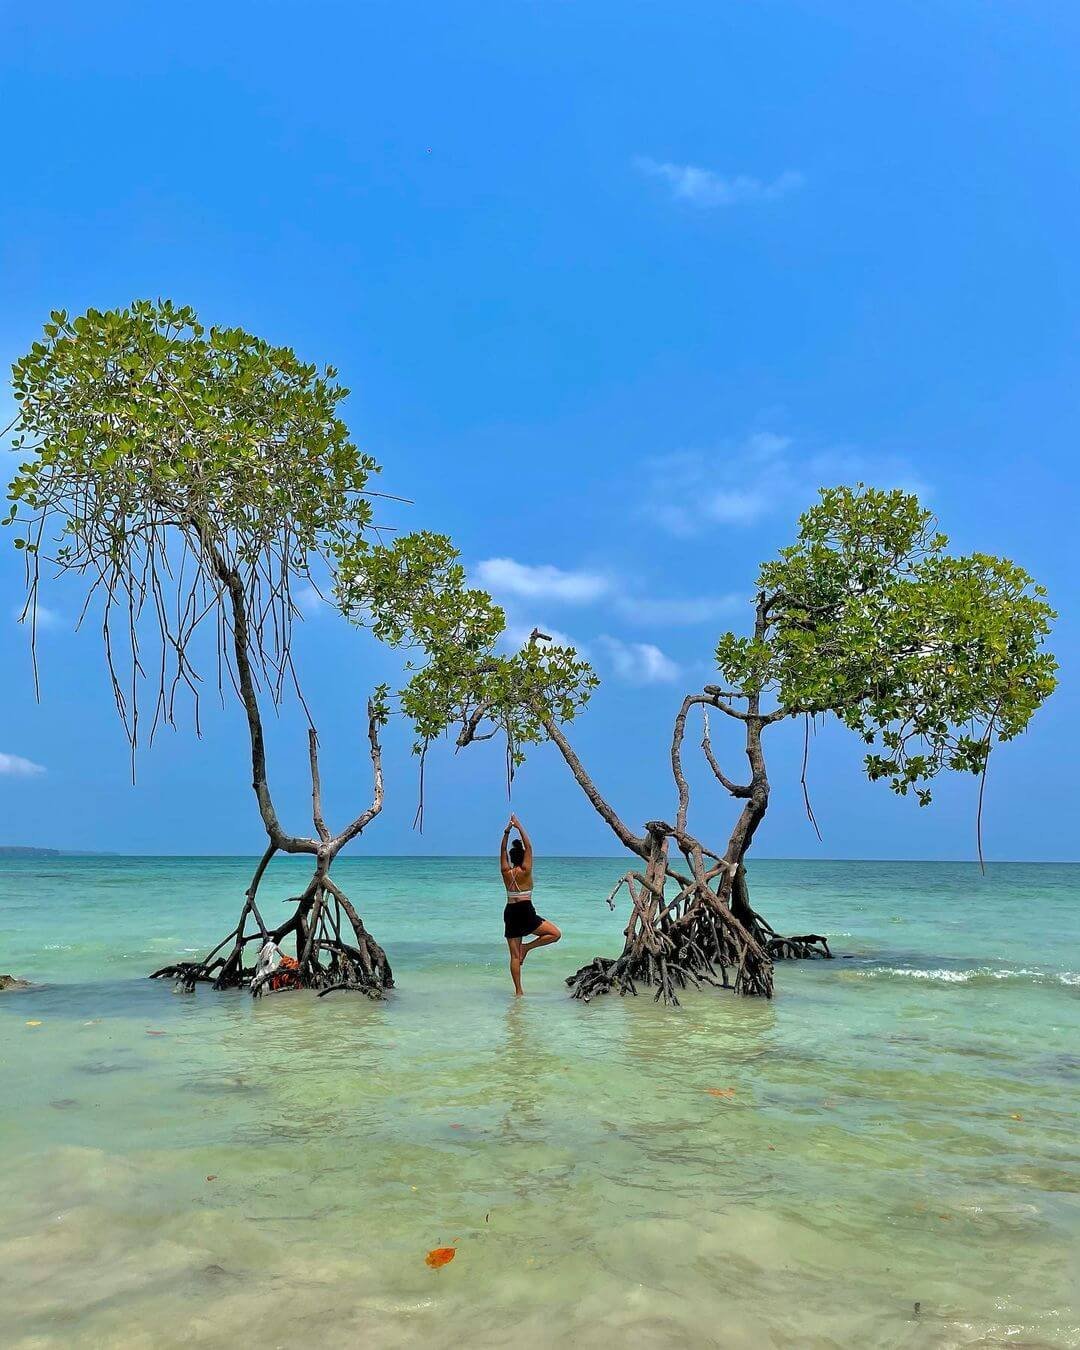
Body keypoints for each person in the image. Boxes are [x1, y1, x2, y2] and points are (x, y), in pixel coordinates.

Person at [500, 813, 561, 996]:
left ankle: (518, 992)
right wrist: (519, 826)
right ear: (523, 857)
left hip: (510, 912)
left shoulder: (506, 871)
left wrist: (507, 832)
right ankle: (527, 947)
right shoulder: (526, 871)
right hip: (526, 912)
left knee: (514, 956)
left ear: (511, 857)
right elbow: (530, 846)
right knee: (555, 934)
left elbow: (502, 850)